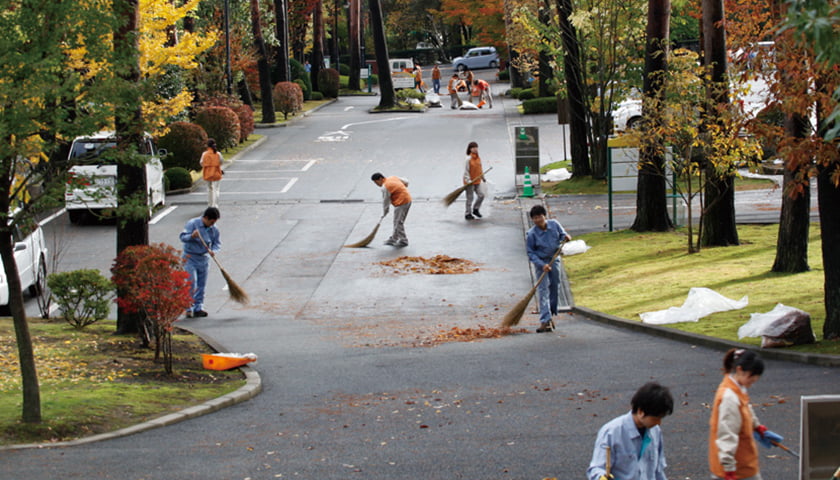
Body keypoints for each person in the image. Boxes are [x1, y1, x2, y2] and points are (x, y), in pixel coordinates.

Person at [709, 349, 783, 480]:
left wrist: (756, 426)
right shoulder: (729, 397)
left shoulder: (737, 388)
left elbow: (746, 409)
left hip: (743, 463)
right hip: (735, 469)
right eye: (751, 377)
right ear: (739, 370)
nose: (753, 381)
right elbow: (727, 434)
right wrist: (729, 469)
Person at [587, 382, 674, 480]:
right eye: (656, 418)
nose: (659, 423)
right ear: (641, 411)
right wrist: (601, 477)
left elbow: (658, 471)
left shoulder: (655, 431)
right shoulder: (611, 432)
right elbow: (596, 468)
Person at [525, 204, 572, 332]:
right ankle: (545, 320)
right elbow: (530, 253)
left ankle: (551, 312)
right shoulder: (531, 234)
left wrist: (566, 237)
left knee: (555, 285)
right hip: (541, 263)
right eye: (534, 218)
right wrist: (542, 265)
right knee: (543, 290)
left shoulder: (554, 224)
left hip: (554, 258)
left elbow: (563, 235)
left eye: (539, 217)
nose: (538, 220)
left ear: (545, 216)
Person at [180, 207, 222, 318]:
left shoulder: (214, 229)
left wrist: (213, 251)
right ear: (206, 218)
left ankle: (198, 307)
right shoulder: (192, 224)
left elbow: (217, 243)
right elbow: (183, 237)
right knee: (190, 281)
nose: (212, 225)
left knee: (201, 284)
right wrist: (191, 236)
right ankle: (188, 307)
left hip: (203, 258)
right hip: (190, 257)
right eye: (211, 222)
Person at [371, 173, 411, 247]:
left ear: (380, 179)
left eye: (376, 182)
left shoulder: (385, 187)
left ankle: (403, 241)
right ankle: (394, 238)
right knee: (397, 221)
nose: (376, 184)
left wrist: (385, 212)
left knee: (398, 222)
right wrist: (402, 189)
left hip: (401, 202)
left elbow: (386, 201)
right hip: (408, 200)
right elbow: (406, 181)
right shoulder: (392, 177)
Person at [463, 141, 486, 220]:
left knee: (481, 195)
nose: (475, 149)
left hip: (477, 180)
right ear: (470, 149)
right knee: (470, 198)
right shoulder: (468, 159)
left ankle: (476, 209)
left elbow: (480, 168)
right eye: (473, 148)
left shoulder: (478, 158)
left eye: (476, 147)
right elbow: (466, 171)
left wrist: (483, 177)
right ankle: (467, 213)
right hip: (470, 182)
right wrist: (468, 180)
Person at [200, 138, 223, 208]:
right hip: (216, 174)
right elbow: (221, 161)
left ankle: (210, 204)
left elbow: (201, 163)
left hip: (207, 174)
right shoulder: (218, 154)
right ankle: (215, 204)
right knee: (216, 189)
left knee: (209, 189)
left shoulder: (204, 154)